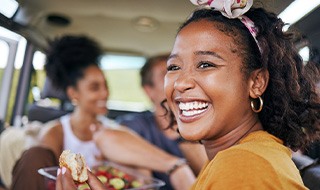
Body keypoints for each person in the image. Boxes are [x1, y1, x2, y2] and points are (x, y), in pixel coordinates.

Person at [56, 0, 320, 189]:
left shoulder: (243, 164)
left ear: (256, 82)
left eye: (206, 64)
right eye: (174, 67)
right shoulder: (239, 156)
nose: (180, 82)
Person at [11, 35, 195, 190]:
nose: (104, 93)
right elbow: (45, 173)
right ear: (73, 93)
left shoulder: (116, 132)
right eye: (94, 87)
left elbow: (142, 177)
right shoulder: (56, 132)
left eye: (105, 85)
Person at [115, 54, 207, 189]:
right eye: (167, 73)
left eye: (179, 70)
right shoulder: (138, 124)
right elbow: (107, 138)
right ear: (148, 90)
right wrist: (176, 166)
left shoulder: (203, 124)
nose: (178, 80)